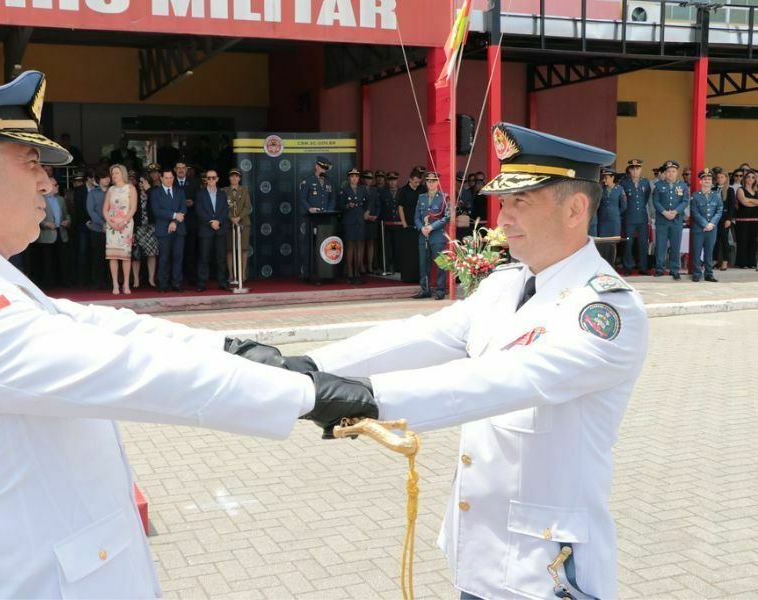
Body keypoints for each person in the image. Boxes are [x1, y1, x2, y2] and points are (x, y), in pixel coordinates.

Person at [0, 71, 375, 599]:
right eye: (32, 164)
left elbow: (96, 323)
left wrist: (235, 349)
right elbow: (130, 371)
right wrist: (304, 395)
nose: (47, 184)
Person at [239, 122, 648, 600]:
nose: (503, 217)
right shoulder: (507, 284)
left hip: (546, 566)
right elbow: (422, 336)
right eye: (503, 202)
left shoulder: (605, 311)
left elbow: (503, 379)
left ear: (575, 209)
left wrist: (368, 399)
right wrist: (306, 365)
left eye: (521, 202)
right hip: (480, 552)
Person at [297, 156, 334, 280]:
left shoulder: (329, 181)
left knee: (325, 245)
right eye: (322, 167)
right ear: (317, 166)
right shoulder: (307, 180)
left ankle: (325, 273)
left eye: (325, 168)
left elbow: (333, 198)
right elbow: (302, 198)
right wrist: (309, 208)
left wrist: (329, 210)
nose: (324, 170)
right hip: (312, 218)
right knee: (311, 246)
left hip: (326, 218)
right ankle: (309, 274)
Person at [414, 171, 449, 300]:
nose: (431, 183)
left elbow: (447, 217)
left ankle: (440, 290)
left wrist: (432, 227)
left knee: (440, 264)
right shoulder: (421, 197)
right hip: (423, 235)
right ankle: (425, 289)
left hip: (437, 236)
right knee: (423, 264)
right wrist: (421, 228)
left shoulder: (444, 197)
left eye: (433, 181)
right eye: (428, 181)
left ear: (438, 182)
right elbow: (416, 217)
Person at [151, 166, 187, 292]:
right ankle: (163, 284)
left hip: (179, 228)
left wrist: (175, 222)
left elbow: (183, 209)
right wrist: (174, 216)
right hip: (163, 229)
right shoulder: (155, 193)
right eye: (166, 178)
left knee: (178, 257)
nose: (169, 180)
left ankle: (177, 283)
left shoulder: (180, 191)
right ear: (161, 178)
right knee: (164, 257)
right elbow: (157, 211)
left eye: (171, 178)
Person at [652, 160, 689, 280]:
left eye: (673, 171)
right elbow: (656, 201)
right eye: (668, 171)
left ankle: (675, 269)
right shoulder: (658, 186)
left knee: (675, 246)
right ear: (665, 173)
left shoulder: (682, 186)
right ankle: (659, 269)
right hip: (662, 221)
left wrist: (676, 212)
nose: (671, 173)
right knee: (661, 246)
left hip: (676, 220)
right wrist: (664, 212)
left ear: (677, 172)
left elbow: (685, 201)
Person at [104, 164, 136, 295]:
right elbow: (105, 209)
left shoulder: (130, 188)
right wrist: (110, 222)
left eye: (116, 173)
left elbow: (133, 208)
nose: (114, 175)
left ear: (123, 174)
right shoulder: (110, 190)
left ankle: (126, 284)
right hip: (112, 225)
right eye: (112, 173)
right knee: (113, 256)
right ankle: (115, 284)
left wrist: (124, 221)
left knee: (125, 256)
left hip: (126, 225)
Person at [195, 168, 229, 291]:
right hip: (206, 229)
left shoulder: (222, 194)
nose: (210, 180)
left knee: (221, 257)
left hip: (220, 228)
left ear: (217, 179)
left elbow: (225, 210)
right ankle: (202, 283)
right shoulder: (200, 194)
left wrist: (218, 221)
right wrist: (211, 221)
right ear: (206, 179)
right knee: (204, 257)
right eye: (208, 178)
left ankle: (222, 282)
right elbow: (199, 211)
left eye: (213, 178)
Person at [690, 168, 722, 282]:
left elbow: (719, 210)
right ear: (700, 181)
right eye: (705, 179)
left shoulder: (716, 195)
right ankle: (696, 273)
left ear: (712, 181)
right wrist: (705, 224)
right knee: (697, 252)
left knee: (709, 252)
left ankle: (709, 274)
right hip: (699, 229)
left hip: (712, 229)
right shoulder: (695, 196)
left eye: (709, 179)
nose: (707, 181)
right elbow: (694, 212)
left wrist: (712, 224)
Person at [619, 158, 651, 275]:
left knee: (643, 243)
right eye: (633, 169)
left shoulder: (645, 182)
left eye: (637, 169)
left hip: (642, 217)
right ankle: (628, 267)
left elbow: (646, 197)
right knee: (628, 243)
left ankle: (643, 267)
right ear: (629, 170)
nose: (635, 171)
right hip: (629, 217)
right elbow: (623, 200)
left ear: (640, 169)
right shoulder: (624, 183)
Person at [339, 168, 368, 284]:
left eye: (356, 176)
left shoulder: (362, 189)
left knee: (360, 244)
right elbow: (340, 205)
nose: (354, 178)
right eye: (352, 176)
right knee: (350, 245)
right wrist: (347, 205)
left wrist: (367, 212)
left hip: (360, 220)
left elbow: (367, 202)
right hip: (349, 220)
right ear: (349, 178)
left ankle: (358, 270)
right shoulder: (344, 190)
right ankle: (350, 271)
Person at [223, 167, 251, 284]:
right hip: (229, 223)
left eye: (236, 176)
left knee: (243, 249)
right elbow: (222, 207)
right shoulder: (224, 191)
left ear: (239, 178)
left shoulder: (244, 190)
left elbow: (247, 206)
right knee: (229, 250)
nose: (234, 178)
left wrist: (238, 218)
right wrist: (231, 218)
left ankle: (242, 274)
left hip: (243, 223)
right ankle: (231, 275)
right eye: (232, 176)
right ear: (229, 178)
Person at [174, 161, 199, 285]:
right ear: (175, 170)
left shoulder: (194, 182)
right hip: (175, 223)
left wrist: (193, 202)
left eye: (183, 168)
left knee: (190, 252)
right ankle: (177, 278)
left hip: (190, 222)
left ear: (186, 170)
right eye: (178, 168)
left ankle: (191, 278)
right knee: (176, 252)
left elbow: (199, 198)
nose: (181, 170)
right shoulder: (171, 182)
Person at [131, 173, 158, 289]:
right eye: (140, 182)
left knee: (152, 254)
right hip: (138, 227)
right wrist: (132, 231)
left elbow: (157, 205)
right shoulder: (134, 194)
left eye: (144, 182)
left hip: (151, 227)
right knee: (136, 255)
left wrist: (149, 191)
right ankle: (136, 280)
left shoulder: (154, 193)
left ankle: (151, 279)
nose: (141, 184)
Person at [86, 170, 110, 289]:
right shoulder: (92, 193)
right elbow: (91, 211)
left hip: (113, 228)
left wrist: (109, 223)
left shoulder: (113, 191)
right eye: (104, 177)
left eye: (108, 177)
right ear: (98, 180)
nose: (107, 179)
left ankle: (109, 281)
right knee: (97, 256)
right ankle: (97, 281)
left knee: (110, 256)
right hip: (97, 229)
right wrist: (102, 223)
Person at [735, 170, 758, 269]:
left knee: (753, 241)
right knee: (743, 241)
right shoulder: (740, 189)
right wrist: (755, 202)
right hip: (742, 220)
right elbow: (744, 202)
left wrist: (749, 200)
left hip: (755, 219)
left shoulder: (756, 190)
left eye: (753, 177)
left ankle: (751, 262)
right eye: (748, 177)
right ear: (745, 178)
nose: (750, 179)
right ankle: (742, 262)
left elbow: (747, 201)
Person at [714, 169, 736, 271]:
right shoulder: (713, 189)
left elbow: (731, 206)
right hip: (714, 218)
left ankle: (725, 261)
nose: (719, 179)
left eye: (722, 177)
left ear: (726, 178)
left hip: (724, 217)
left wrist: (729, 219)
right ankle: (715, 260)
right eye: (718, 177)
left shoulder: (730, 190)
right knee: (715, 240)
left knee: (724, 239)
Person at [379, 171, 400, 273]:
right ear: (387, 181)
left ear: (397, 180)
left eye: (394, 180)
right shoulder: (383, 193)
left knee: (398, 245)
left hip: (398, 223)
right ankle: (386, 266)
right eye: (390, 180)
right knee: (386, 247)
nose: (392, 182)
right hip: (386, 223)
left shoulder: (401, 192)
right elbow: (380, 207)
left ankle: (397, 267)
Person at [597, 169, 626, 242]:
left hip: (614, 221)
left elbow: (624, 205)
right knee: (602, 242)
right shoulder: (601, 189)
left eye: (606, 178)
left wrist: (616, 213)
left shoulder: (619, 189)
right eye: (603, 178)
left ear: (612, 177)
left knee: (613, 242)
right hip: (603, 220)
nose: (604, 180)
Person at [362, 169, 381, 275]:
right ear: (363, 179)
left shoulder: (375, 190)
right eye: (366, 178)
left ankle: (370, 265)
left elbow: (378, 205)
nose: (368, 180)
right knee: (361, 243)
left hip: (372, 219)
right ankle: (361, 265)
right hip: (362, 220)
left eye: (370, 178)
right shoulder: (360, 189)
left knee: (371, 243)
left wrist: (376, 216)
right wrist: (365, 216)